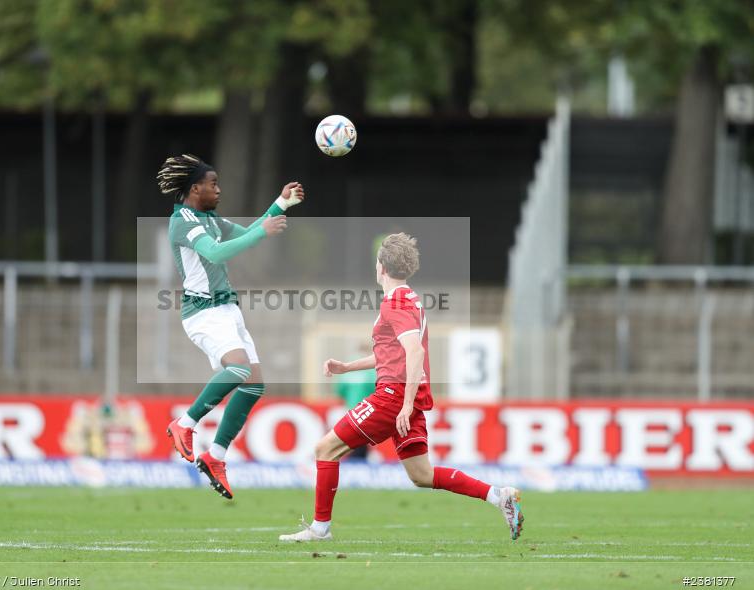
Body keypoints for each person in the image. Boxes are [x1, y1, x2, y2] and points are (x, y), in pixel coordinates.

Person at [280, 233, 524, 541]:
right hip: (406, 395)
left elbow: (415, 352)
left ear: (380, 266)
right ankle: (498, 496)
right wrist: (346, 366)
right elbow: (391, 354)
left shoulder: (394, 303)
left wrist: (406, 404)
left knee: (325, 448)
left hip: (394, 397)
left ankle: (320, 529)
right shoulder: (410, 299)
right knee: (422, 475)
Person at [157, 154, 304, 499]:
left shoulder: (208, 217)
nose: (219, 190)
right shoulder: (184, 221)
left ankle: (216, 456)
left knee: (254, 385)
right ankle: (185, 423)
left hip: (227, 310)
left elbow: (250, 234)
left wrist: (281, 203)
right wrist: (263, 231)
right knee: (238, 369)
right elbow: (218, 253)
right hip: (203, 313)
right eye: (213, 184)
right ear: (195, 188)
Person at [332, 341, 376, 459]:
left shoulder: (347, 369)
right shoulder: (371, 370)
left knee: (350, 441)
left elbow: (340, 391)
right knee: (362, 442)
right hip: (366, 411)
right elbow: (376, 390)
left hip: (350, 411)